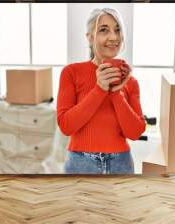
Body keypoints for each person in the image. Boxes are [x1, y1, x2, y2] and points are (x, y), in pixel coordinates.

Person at [56, 8, 146, 174]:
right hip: (80, 164)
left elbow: (135, 132)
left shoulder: (131, 82)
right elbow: (66, 126)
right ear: (90, 37)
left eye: (117, 30)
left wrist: (116, 92)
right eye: (104, 30)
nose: (113, 37)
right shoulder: (71, 72)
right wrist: (99, 89)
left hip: (121, 164)